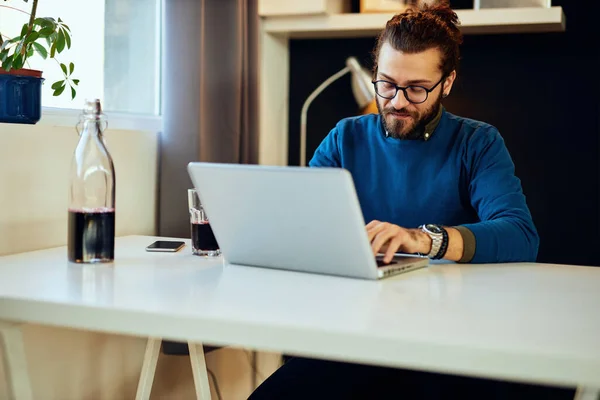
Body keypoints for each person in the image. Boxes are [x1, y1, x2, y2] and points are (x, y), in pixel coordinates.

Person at [248, 3, 575, 399]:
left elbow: (521, 234)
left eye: (417, 88)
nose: (397, 101)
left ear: (447, 82)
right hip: (355, 337)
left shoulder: (477, 142)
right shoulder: (345, 136)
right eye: (386, 84)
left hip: (449, 344)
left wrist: (425, 240)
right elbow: (298, 217)